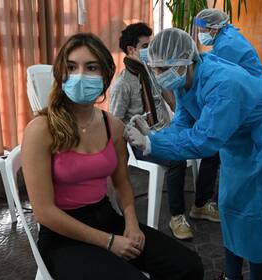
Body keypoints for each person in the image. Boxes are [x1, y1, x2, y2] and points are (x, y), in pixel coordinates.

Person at [125, 28, 262, 280]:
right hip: (239, 141)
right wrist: (154, 136)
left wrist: (151, 146)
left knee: (258, 216)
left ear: (185, 62)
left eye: (163, 69)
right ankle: (232, 275)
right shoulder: (186, 79)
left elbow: (204, 141)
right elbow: (183, 124)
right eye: (156, 69)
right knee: (230, 207)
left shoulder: (223, 84)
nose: (159, 76)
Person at [21, 32, 204, 280]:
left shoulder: (112, 126)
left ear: (105, 75)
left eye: (91, 67)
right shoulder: (41, 129)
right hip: (62, 236)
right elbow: (44, 212)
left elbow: (122, 184)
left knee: (188, 266)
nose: (80, 76)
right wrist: (108, 242)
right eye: (72, 67)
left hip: (106, 218)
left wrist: (131, 222)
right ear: (61, 73)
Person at [110, 22, 220, 240]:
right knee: (176, 160)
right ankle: (176, 216)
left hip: (164, 130)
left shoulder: (153, 70)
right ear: (131, 50)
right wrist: (138, 137)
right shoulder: (123, 83)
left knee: (213, 150)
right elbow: (115, 121)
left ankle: (200, 204)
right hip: (140, 139)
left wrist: (185, 117)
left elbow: (171, 99)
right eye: (146, 45)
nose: (152, 50)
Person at [194, 8, 262, 80]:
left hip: (252, 85)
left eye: (203, 31)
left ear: (215, 28)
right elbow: (216, 54)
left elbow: (220, 74)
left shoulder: (226, 44)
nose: (200, 34)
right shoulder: (227, 32)